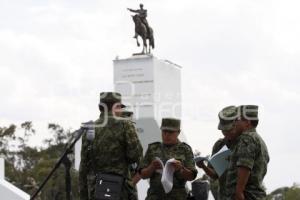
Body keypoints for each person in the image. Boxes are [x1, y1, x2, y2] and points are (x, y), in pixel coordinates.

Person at [79, 92, 143, 200]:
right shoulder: (126, 125)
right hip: (122, 190)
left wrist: (84, 196)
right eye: (120, 107)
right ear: (116, 107)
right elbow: (136, 155)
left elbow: (83, 168)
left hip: (97, 190)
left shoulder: (90, 129)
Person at [139, 118, 198, 200]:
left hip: (178, 197)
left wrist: (181, 169)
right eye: (164, 132)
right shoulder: (153, 148)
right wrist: (152, 167)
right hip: (154, 196)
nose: (166, 135)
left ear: (178, 132)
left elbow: (191, 176)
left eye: (170, 132)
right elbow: (142, 175)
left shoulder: (185, 149)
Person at [225, 105, 269, 200]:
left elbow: (245, 166)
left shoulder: (247, 138)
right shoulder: (259, 140)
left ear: (247, 122)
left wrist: (239, 192)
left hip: (246, 196)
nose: (234, 123)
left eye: (237, 119)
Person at [196, 106, 239, 200]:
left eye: (229, 130)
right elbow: (214, 175)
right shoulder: (220, 145)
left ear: (237, 124)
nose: (226, 133)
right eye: (223, 130)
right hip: (224, 196)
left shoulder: (245, 144)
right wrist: (203, 166)